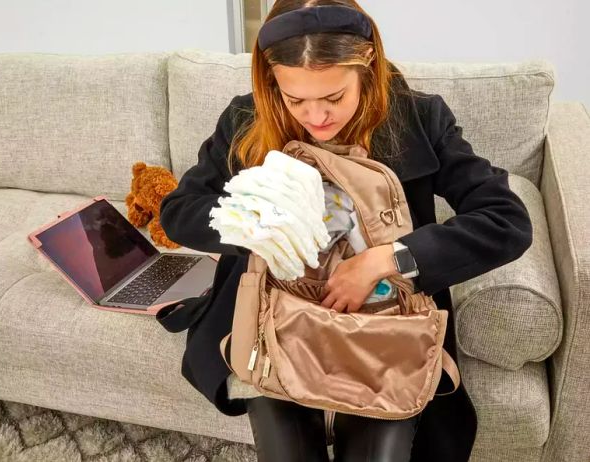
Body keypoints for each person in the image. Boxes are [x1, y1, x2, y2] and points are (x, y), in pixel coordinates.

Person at [157, 1, 533, 461]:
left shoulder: (420, 117)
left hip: (386, 321)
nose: (315, 118)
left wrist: (390, 259)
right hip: (272, 315)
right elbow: (179, 211)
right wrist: (259, 225)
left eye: (334, 98)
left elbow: (505, 220)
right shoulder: (247, 118)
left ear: (368, 67)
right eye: (295, 100)